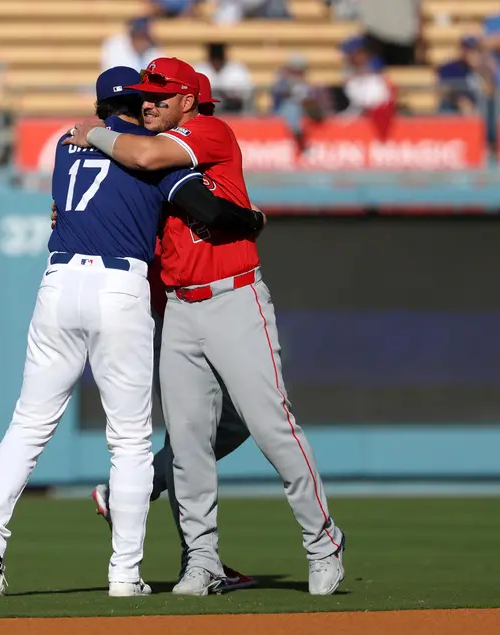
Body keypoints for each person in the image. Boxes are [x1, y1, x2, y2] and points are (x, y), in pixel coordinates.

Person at [0, 66, 265, 599]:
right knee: (129, 439)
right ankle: (124, 573)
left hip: (59, 281)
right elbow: (199, 204)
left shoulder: (67, 146)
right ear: (140, 104)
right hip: (118, 285)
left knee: (28, 424)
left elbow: (78, 192)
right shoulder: (150, 153)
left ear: (100, 106)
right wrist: (251, 220)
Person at [65, 57, 345, 597]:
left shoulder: (208, 132)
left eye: (160, 95)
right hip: (179, 308)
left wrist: (91, 132)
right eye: (145, 95)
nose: (148, 102)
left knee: (272, 427)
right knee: (188, 444)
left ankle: (323, 542)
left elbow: (147, 154)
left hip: (233, 296)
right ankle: (202, 560)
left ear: (189, 101)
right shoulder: (143, 159)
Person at [193, 43, 254, 113]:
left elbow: (247, 92)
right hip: (205, 108)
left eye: (219, 59)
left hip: (232, 108)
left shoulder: (236, 69)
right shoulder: (201, 68)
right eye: (214, 59)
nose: (217, 62)